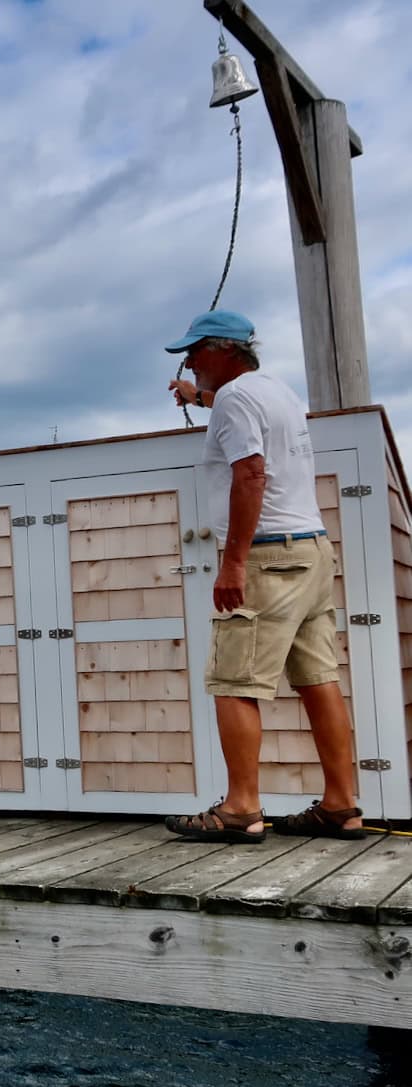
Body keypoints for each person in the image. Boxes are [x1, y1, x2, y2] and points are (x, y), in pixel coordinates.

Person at [161, 309, 364, 843]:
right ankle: (342, 805)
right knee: (319, 680)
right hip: (313, 552)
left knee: (234, 682)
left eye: (195, 352)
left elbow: (250, 471)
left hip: (267, 558)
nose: (190, 362)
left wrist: (232, 562)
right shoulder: (275, 390)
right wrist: (195, 395)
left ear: (225, 350)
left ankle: (240, 809)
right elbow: (241, 412)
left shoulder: (233, 398)